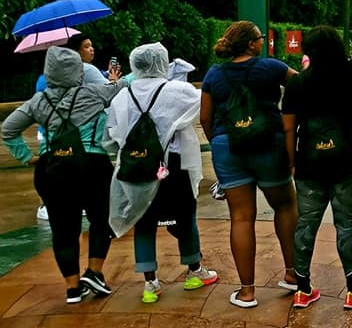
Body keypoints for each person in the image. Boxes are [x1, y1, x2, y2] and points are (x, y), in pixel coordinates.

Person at [282, 0, 352, 311]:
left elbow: (288, 127)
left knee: (305, 224)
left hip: (309, 164)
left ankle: (303, 289)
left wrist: (292, 163)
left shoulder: (296, 83)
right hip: (347, 161)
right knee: (346, 225)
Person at [2, 46, 121, 303]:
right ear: (79, 71)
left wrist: (27, 157)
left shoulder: (38, 101)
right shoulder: (93, 93)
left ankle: (72, 289)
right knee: (101, 219)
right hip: (92, 165)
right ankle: (95, 272)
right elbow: (124, 88)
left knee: (63, 229)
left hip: (53, 169)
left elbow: (8, 129)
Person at [104, 42, 218, 304]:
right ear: (161, 62)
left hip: (136, 167)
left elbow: (109, 136)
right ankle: (194, 271)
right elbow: (203, 110)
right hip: (174, 165)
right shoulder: (179, 90)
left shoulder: (122, 96)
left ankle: (150, 284)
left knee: (143, 220)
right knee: (185, 215)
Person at [200, 21, 298, 308]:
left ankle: (246, 291)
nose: (262, 40)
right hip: (268, 142)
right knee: (285, 206)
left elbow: (205, 117)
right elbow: (302, 85)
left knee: (241, 217)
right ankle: (293, 274)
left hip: (227, 145)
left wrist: (220, 140)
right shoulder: (271, 67)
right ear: (252, 44)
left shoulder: (214, 74)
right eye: (259, 37)